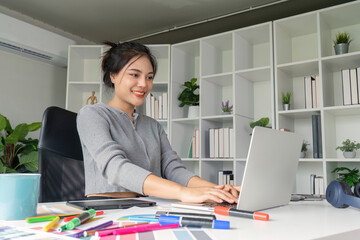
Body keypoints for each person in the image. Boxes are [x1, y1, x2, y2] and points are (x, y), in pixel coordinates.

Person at [77, 41, 240, 203]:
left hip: (149, 206)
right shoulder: (92, 115)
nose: (143, 84)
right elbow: (115, 168)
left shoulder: (153, 125)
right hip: (106, 208)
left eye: (149, 77)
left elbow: (173, 170)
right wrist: (183, 192)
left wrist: (219, 191)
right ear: (113, 75)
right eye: (134, 75)